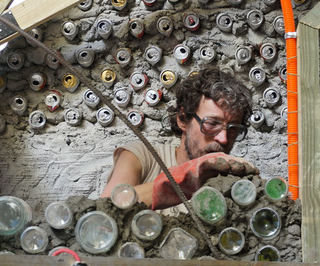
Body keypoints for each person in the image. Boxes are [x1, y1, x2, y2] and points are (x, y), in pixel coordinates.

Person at [102, 68, 259, 212]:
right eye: (211, 124)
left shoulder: (237, 184)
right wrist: (185, 178)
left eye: (233, 129)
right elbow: (104, 214)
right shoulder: (142, 157)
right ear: (183, 120)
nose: (223, 139)